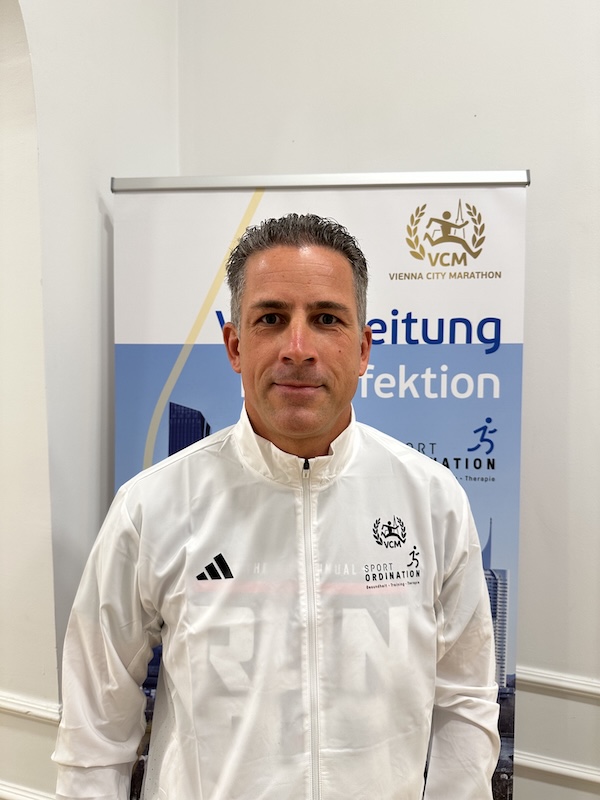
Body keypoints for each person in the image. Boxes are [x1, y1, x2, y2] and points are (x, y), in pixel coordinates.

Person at [53, 213, 500, 800]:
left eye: (326, 319)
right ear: (235, 346)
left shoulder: (433, 501)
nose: (298, 348)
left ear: (363, 349)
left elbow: (465, 704)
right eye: (271, 318)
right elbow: (94, 730)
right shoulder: (151, 507)